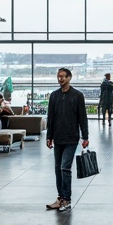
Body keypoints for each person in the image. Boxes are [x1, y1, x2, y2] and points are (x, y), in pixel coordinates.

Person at [45, 66, 89, 211]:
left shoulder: (77, 95)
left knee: (65, 167)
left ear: (69, 78)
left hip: (71, 138)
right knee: (58, 169)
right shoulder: (54, 95)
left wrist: (85, 137)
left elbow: (82, 118)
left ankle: (67, 199)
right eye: (59, 76)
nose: (60, 79)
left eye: (63, 76)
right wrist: (49, 136)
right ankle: (60, 197)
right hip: (57, 138)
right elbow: (50, 118)